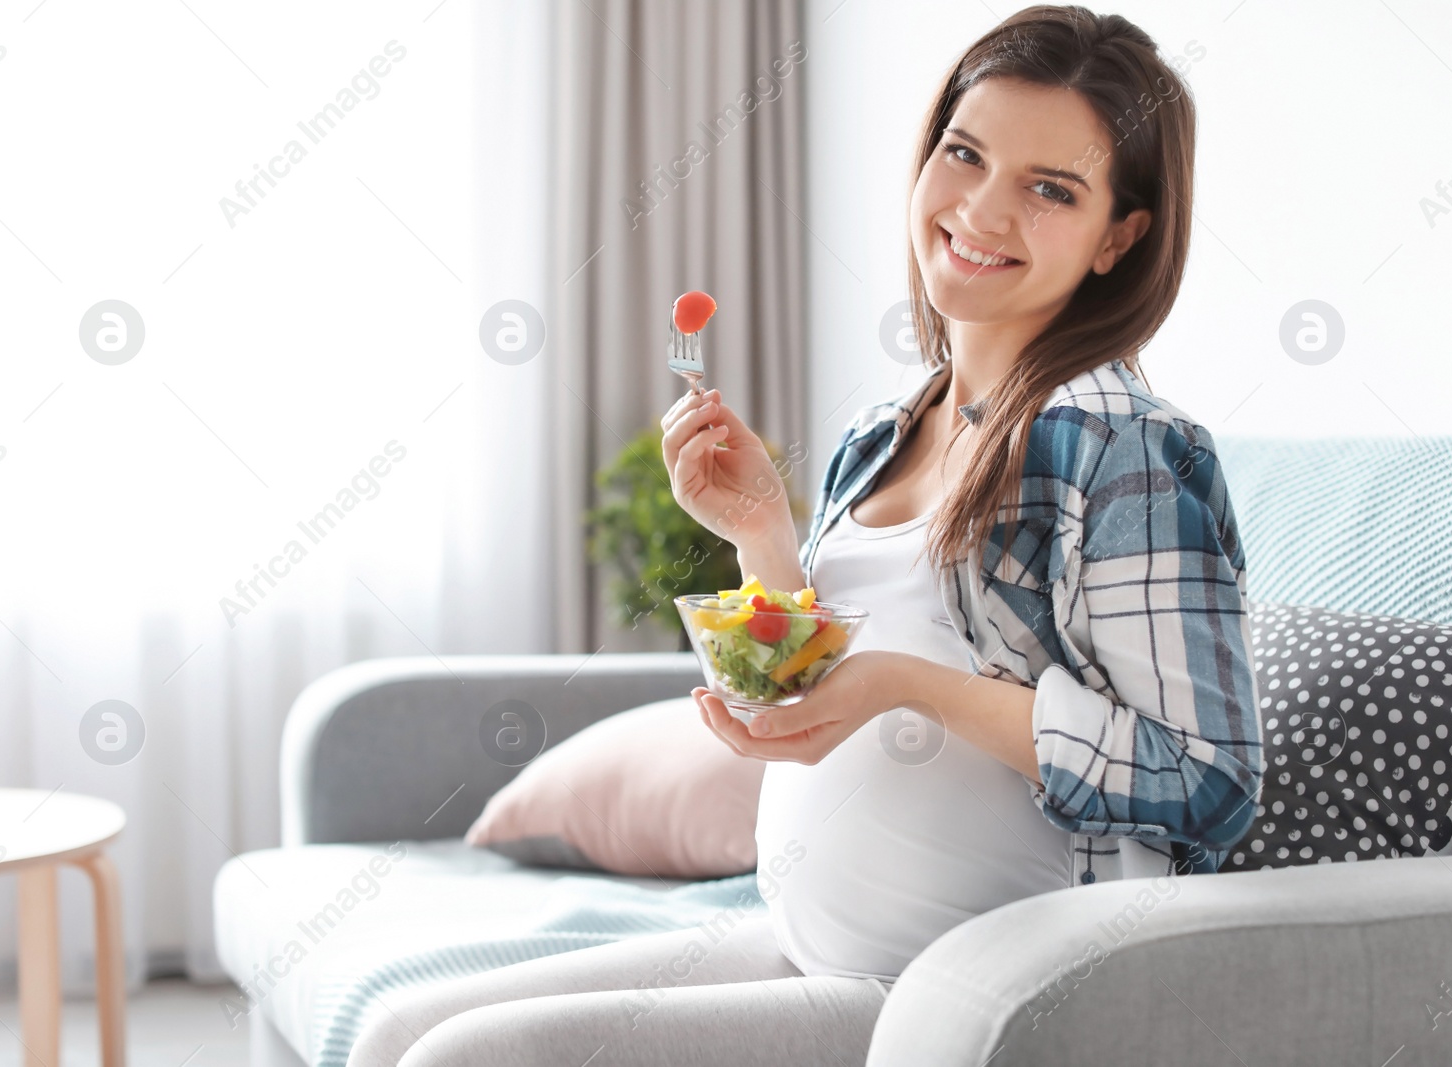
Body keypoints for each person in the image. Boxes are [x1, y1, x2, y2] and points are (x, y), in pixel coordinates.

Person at [348, 6, 1263, 1065]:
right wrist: (760, 538)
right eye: (963, 154)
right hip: (808, 943)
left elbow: (1209, 782)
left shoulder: (1127, 454)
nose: (979, 208)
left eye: (1048, 188)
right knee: (397, 1028)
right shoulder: (882, 436)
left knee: (467, 1060)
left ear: (1120, 236)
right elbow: (797, 699)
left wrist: (915, 686)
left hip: (976, 993)